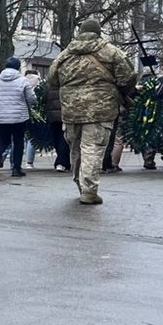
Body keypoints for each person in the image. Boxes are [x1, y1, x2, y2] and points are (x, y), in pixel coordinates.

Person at [46, 18, 136, 205]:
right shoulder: (111, 52)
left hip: (71, 109)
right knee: (92, 149)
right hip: (100, 109)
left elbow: (52, 79)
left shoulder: (64, 55)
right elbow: (127, 76)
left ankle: (81, 184)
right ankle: (89, 190)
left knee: (76, 149)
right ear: (98, 32)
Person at [0, 57, 37, 178]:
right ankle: (16, 169)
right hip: (19, 117)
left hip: (1, 116)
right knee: (18, 141)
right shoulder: (23, 81)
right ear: (18, 67)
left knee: (3, 140)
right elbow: (31, 98)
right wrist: (28, 105)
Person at [44, 82, 70, 172]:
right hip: (65, 116)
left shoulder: (49, 86)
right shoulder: (67, 84)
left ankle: (61, 161)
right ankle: (62, 162)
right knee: (64, 139)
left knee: (56, 139)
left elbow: (44, 99)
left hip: (52, 117)